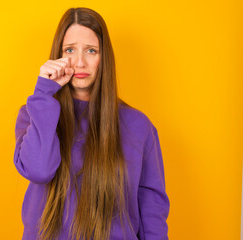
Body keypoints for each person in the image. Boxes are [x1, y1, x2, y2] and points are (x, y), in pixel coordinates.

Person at [13, 7, 170, 240]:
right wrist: (44, 94)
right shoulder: (33, 114)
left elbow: (151, 210)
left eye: (91, 51)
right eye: (69, 50)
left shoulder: (139, 126)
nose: (79, 62)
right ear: (58, 55)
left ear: (103, 57)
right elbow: (40, 170)